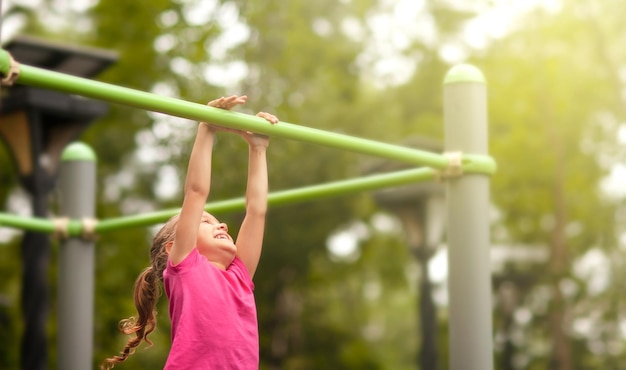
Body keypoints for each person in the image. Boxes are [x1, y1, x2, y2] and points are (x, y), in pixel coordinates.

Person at [101, 95, 278, 370]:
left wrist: (258, 149)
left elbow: (256, 211)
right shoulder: (187, 266)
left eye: (217, 222)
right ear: (173, 248)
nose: (222, 226)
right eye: (206, 222)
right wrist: (206, 127)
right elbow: (196, 193)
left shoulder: (239, 278)